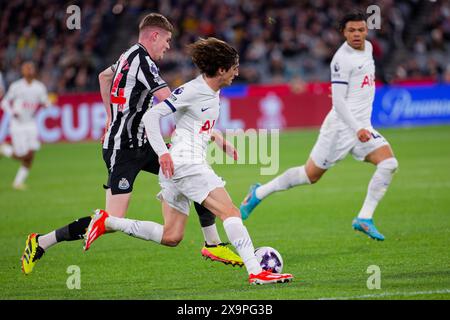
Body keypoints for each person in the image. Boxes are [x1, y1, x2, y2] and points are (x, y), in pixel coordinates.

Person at [20, 13, 242, 276]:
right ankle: (41, 242)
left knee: (189, 168)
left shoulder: (127, 56)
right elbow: (171, 102)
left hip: (142, 143)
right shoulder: (145, 63)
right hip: (122, 149)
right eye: (167, 40)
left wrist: (110, 119)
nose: (168, 46)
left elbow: (104, 77)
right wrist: (212, 131)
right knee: (112, 220)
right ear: (154, 36)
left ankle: (213, 242)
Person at [83, 37, 294, 285]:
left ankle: (109, 221)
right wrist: (162, 152)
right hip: (186, 164)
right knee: (231, 211)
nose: (237, 72)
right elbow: (152, 116)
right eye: (234, 68)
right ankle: (255, 271)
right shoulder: (195, 90)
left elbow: (191, 122)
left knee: (171, 236)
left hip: (178, 166)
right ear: (222, 69)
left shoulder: (209, 91)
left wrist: (218, 138)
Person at [240, 11, 399, 241]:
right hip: (342, 128)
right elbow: (338, 102)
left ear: (366, 30)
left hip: (362, 127)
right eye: (351, 30)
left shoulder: (369, 49)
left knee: (389, 163)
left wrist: (361, 126)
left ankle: (364, 218)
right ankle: (258, 193)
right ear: (343, 32)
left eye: (361, 30)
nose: (356, 34)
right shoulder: (341, 60)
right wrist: (357, 128)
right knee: (309, 175)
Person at [0, 62, 50, 190]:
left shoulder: (39, 87)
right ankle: (4, 149)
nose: (29, 71)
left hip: (31, 124)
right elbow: (4, 102)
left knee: (30, 155)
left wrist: (47, 104)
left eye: (31, 68)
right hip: (17, 125)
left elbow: (45, 101)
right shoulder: (16, 86)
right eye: (26, 69)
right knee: (21, 155)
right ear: (23, 71)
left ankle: (17, 182)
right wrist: (12, 113)